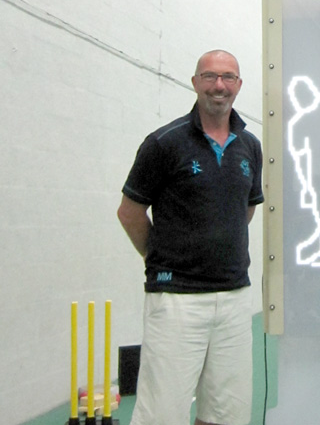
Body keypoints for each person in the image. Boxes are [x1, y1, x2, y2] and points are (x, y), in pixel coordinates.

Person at [117, 49, 264, 425]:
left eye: (228, 77)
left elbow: (245, 209)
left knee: (227, 414)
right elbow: (130, 212)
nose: (219, 85)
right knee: (162, 414)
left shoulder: (250, 146)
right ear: (195, 83)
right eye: (210, 76)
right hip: (176, 300)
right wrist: (164, 257)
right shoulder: (163, 143)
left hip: (233, 299)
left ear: (239, 85)